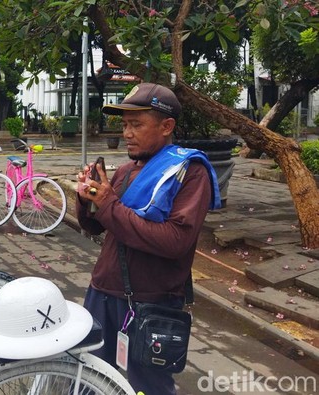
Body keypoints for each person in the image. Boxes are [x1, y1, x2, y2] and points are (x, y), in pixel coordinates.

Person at [75, 83, 221, 394]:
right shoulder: (127, 170)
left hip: (151, 303)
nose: (127, 133)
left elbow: (173, 241)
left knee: (147, 386)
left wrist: (109, 204)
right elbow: (96, 227)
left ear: (167, 126)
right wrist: (87, 198)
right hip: (102, 292)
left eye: (137, 124)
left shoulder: (188, 172)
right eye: (125, 124)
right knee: (90, 380)